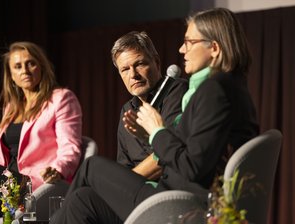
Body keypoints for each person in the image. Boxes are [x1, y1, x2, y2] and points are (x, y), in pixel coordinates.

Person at [49, 8, 259, 224]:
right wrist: (152, 134)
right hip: (169, 194)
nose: (181, 49)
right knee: (82, 201)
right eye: (125, 69)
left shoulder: (213, 90)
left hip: (177, 202)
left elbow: (191, 167)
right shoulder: (225, 86)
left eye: (188, 42)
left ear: (213, 48)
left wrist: (156, 132)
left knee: (90, 167)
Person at [0, 41, 82, 223]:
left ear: (41, 66)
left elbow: (70, 147)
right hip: (7, 188)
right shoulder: (11, 108)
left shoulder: (61, 98)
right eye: (17, 66)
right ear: (12, 76)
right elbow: (1, 159)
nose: (25, 70)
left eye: (30, 63)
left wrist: (58, 170)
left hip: (35, 188)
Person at [112, 31, 188, 180]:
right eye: (125, 69)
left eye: (139, 64)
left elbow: (168, 155)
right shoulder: (127, 110)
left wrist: (126, 182)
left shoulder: (176, 91)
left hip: (166, 185)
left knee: (91, 168)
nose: (133, 75)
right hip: (135, 190)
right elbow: (124, 165)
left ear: (157, 63)